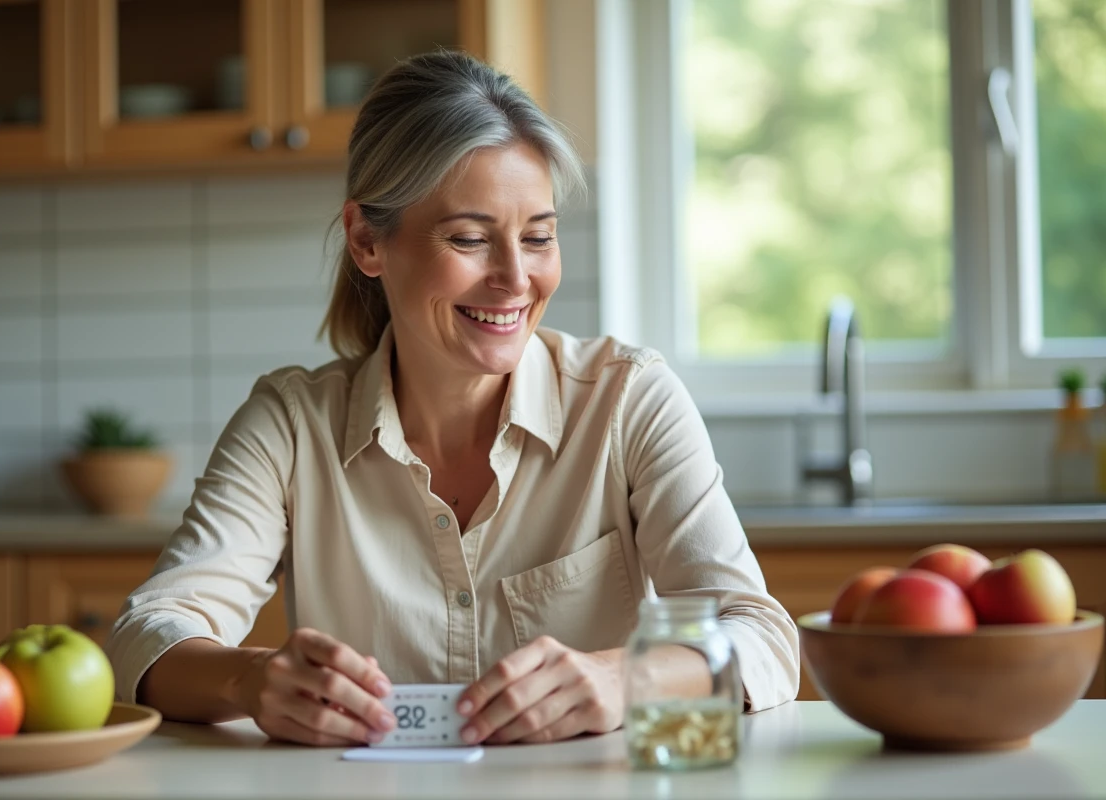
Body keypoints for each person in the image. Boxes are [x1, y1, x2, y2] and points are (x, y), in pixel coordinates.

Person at [104, 49, 799, 749]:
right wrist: (249, 679)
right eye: (470, 238)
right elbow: (143, 637)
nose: (515, 278)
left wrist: (625, 679)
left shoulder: (628, 400)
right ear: (366, 241)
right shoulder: (290, 425)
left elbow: (763, 637)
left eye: (539, 237)